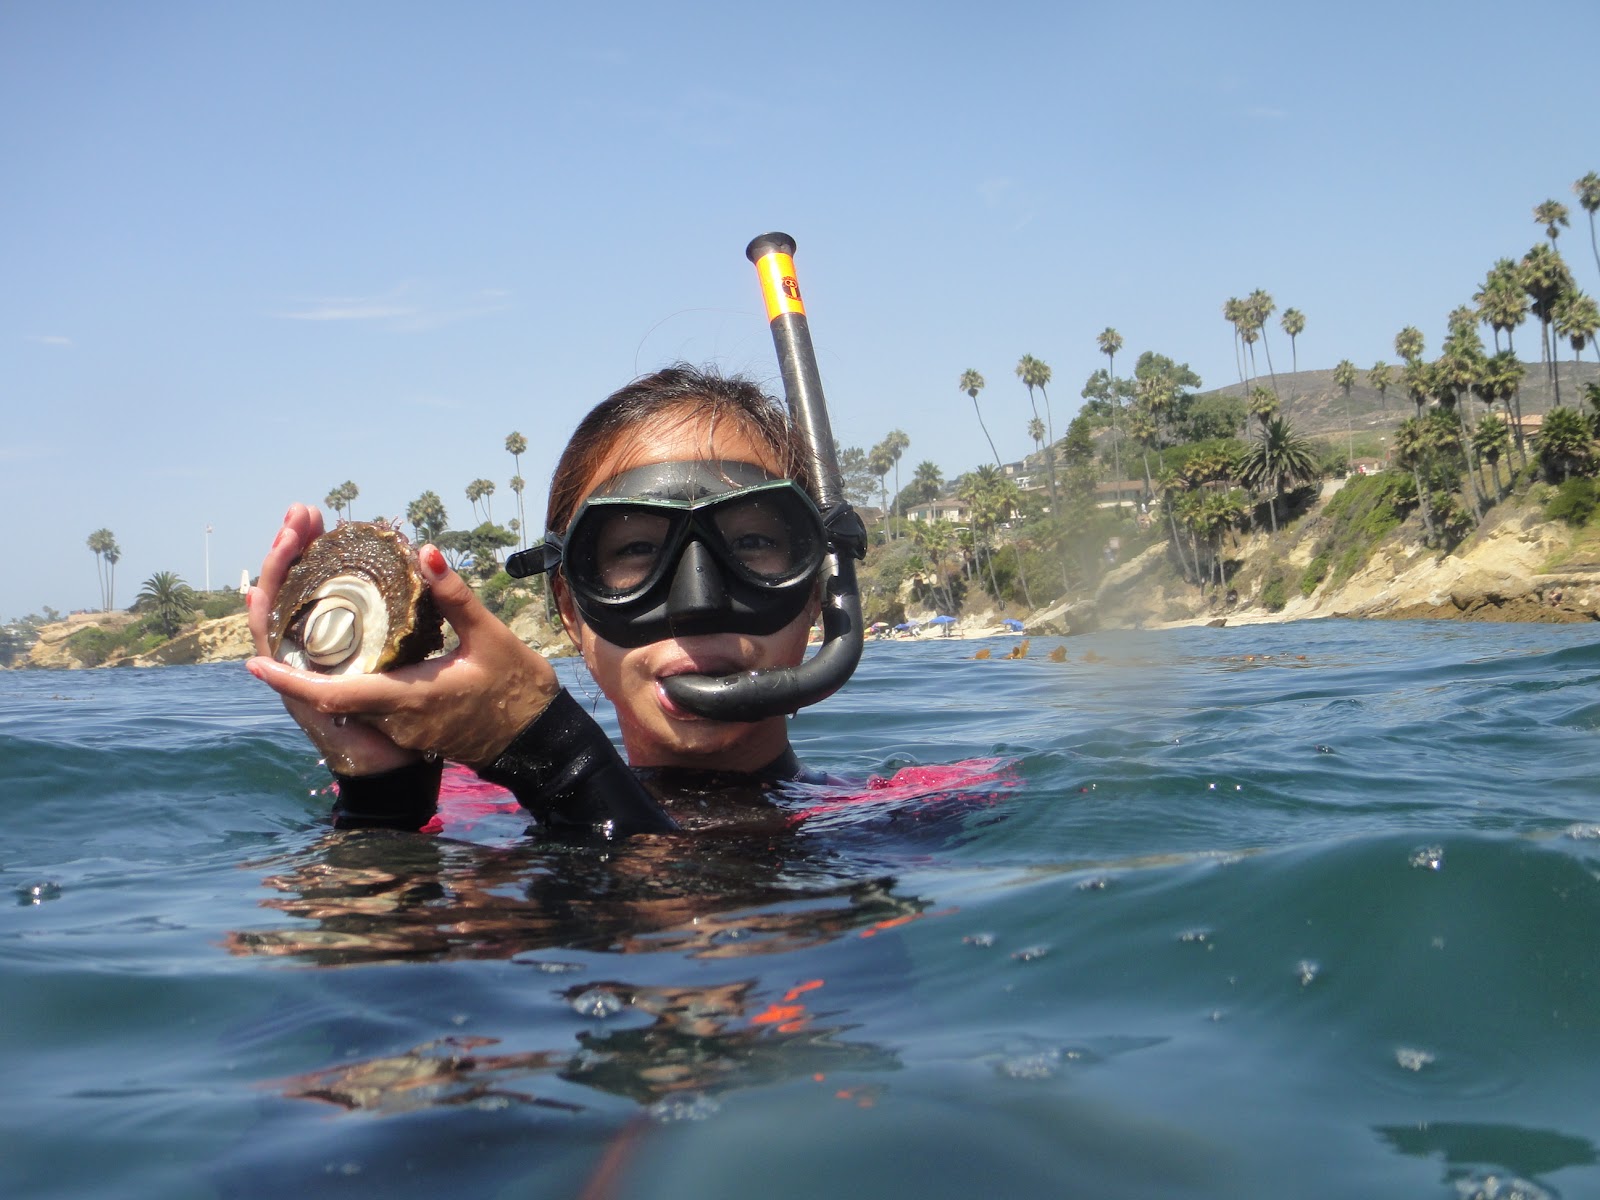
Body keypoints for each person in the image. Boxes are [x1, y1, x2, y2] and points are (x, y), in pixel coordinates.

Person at [246, 365, 831, 839]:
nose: (697, 602)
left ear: (816, 593)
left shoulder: (912, 813)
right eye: (635, 549)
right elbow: (361, 970)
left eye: (753, 543)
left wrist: (555, 757)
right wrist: (382, 795)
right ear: (571, 607)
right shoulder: (468, 804)